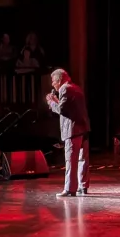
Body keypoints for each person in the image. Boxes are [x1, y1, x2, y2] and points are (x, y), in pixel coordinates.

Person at [46, 68, 91, 196]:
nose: (52, 84)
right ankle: (83, 186)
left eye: (53, 81)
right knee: (82, 159)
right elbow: (69, 107)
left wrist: (50, 103)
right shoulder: (76, 88)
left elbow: (62, 110)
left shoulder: (64, 89)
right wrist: (55, 100)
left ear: (59, 80)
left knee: (71, 160)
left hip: (73, 130)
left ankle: (70, 189)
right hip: (83, 128)